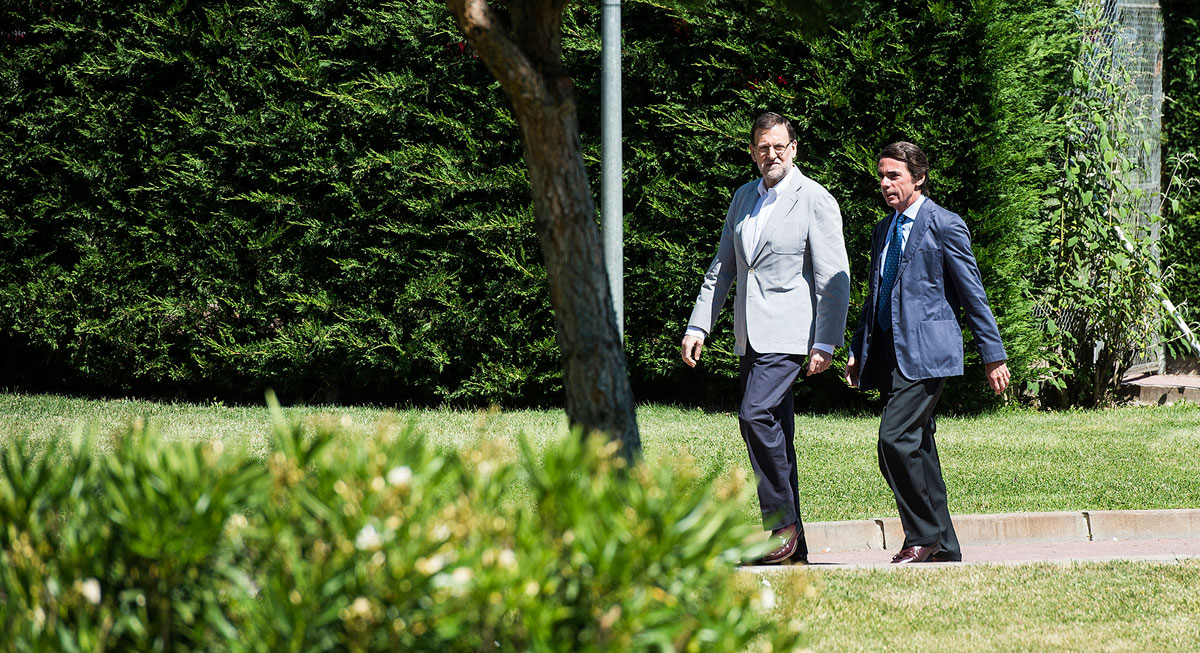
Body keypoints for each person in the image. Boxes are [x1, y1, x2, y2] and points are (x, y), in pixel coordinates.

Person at [682, 112, 850, 566]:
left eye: (779, 146)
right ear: (753, 151)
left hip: (792, 333)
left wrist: (826, 341)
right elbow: (724, 267)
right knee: (778, 432)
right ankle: (795, 546)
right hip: (750, 335)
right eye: (762, 147)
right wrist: (699, 325)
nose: (770, 155)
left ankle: (780, 528)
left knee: (754, 415)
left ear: (793, 149)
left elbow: (834, 278)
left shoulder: (815, 199)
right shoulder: (743, 198)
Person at [845, 141, 1010, 564]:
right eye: (881, 176)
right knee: (917, 447)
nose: (884, 183)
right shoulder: (885, 228)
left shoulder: (945, 225)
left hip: (928, 353)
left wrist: (993, 355)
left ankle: (921, 536)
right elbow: (875, 294)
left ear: (918, 177)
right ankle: (945, 546)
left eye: (893, 175)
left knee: (893, 440)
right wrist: (858, 350)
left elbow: (973, 294)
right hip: (890, 353)